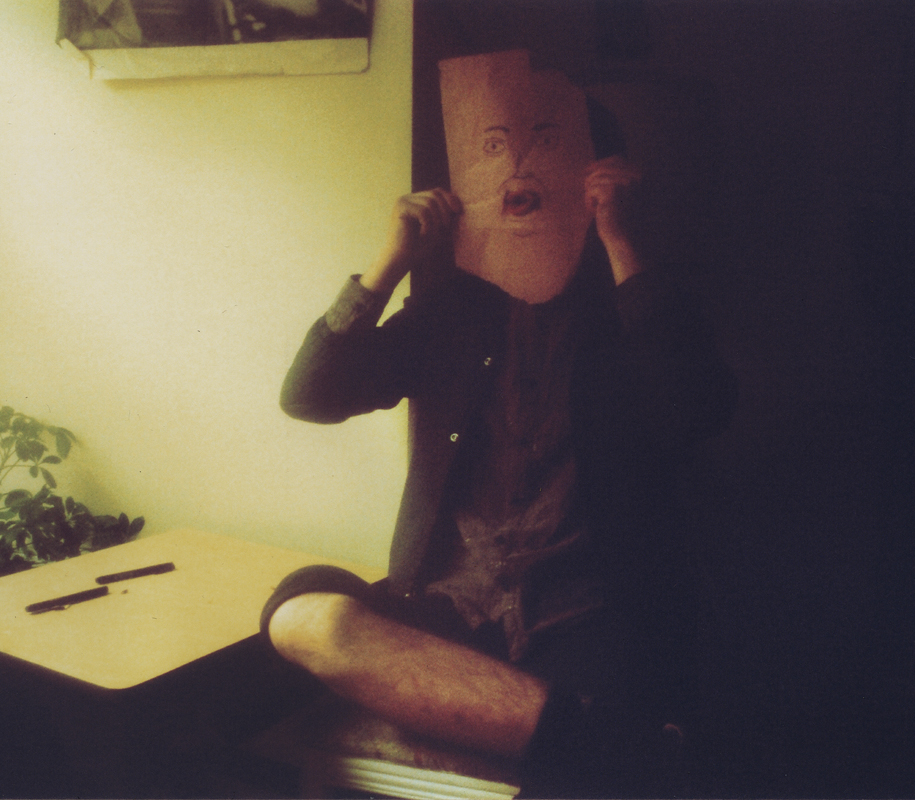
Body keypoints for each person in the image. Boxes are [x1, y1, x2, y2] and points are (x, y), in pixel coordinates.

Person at [261, 52, 736, 798]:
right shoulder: (455, 308)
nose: (519, 171)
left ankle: (587, 738)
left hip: (585, 616)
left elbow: (694, 413)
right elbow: (310, 395)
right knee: (300, 613)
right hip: (448, 611)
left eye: (547, 146)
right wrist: (389, 262)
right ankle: (609, 741)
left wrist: (622, 243)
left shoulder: (633, 306)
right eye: (495, 149)